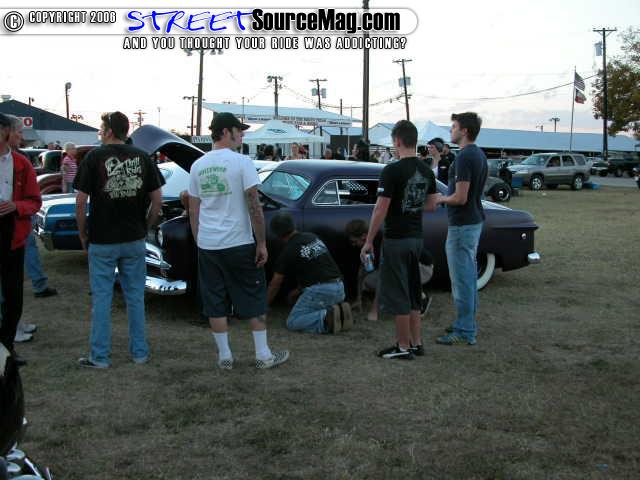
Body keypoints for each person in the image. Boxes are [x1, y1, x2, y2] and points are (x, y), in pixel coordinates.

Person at [188, 112, 289, 370]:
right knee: (253, 298)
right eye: (238, 130)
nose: (242, 134)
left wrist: (200, 239)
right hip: (239, 243)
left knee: (214, 301)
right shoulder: (242, 162)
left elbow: (193, 209)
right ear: (225, 132)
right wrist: (261, 243)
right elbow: (254, 204)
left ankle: (225, 358)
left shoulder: (198, 165)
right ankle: (263, 355)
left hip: (209, 245)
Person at [74, 111, 163, 368]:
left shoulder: (94, 157)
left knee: (102, 298)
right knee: (135, 297)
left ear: (110, 131)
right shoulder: (142, 157)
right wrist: (145, 226)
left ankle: (100, 357)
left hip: (102, 240)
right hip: (134, 238)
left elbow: (80, 201)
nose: (100, 133)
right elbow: (157, 199)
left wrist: (82, 233)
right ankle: (140, 353)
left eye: (102, 129)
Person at [360, 120, 439, 360]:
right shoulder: (426, 170)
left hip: (396, 239)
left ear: (397, 141)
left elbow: (380, 208)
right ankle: (416, 343)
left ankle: (403, 346)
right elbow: (432, 205)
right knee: (414, 292)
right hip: (416, 239)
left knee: (399, 293)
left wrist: (369, 240)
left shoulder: (391, 171)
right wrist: (411, 205)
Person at [435, 112, 488, 346]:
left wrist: (440, 198)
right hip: (471, 222)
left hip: (463, 225)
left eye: (454, 126)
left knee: (462, 280)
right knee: (467, 277)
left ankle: (465, 330)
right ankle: (466, 322)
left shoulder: (465, 157)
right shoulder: (478, 154)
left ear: (465, 131)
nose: (451, 130)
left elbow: (460, 197)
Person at [0, 113, 42, 367]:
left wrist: (16, 206)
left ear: (5, 131)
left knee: (13, 297)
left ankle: (7, 349)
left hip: (12, 234)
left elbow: (35, 201)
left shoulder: (21, 163)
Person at [267, 213, 352, 334]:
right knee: (311, 305)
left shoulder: (288, 251)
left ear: (277, 235)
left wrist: (264, 307)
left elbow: (274, 284)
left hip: (321, 291)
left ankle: (327, 316)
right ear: (293, 225)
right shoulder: (312, 237)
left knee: (293, 321)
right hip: (339, 288)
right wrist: (298, 290)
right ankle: (337, 311)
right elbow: (317, 268)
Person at [347, 219, 434, 322]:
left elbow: (382, 277)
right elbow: (362, 271)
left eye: (354, 242)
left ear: (364, 237)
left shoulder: (383, 242)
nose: (353, 245)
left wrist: (374, 311)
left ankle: (421, 298)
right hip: (404, 268)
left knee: (391, 275)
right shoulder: (368, 245)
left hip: (422, 267)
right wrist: (359, 298)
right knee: (368, 281)